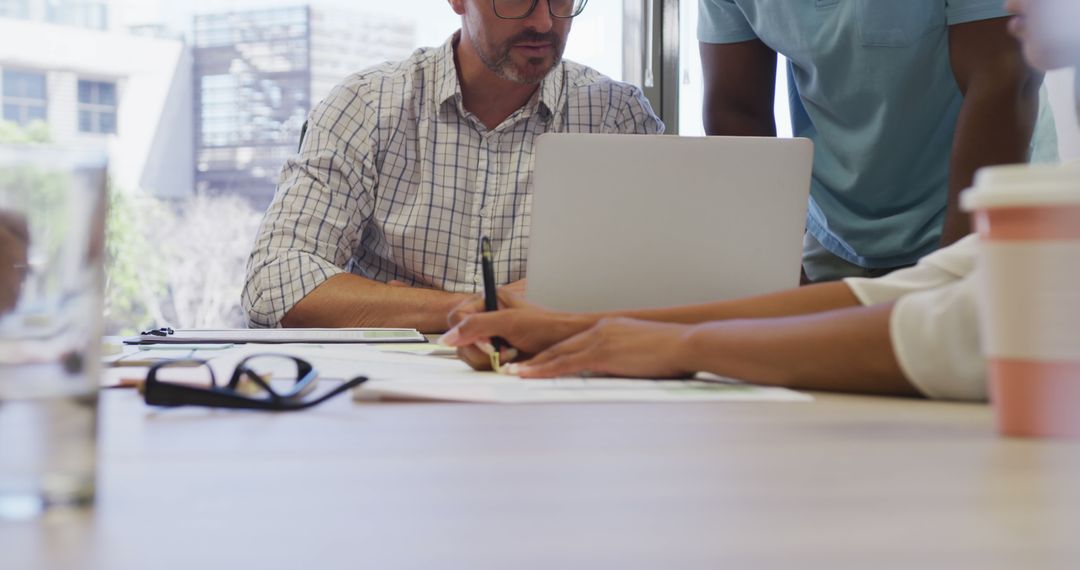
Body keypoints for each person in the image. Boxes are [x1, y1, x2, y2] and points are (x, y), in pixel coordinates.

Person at [440, 0, 1079, 402]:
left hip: (980, 215)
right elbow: (905, 301)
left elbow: (949, 325)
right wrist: (577, 329)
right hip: (850, 238)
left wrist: (684, 345)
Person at [242, 0, 663, 332]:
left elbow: (664, 282)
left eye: (561, 0)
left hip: (558, 390)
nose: (543, 22)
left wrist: (401, 306)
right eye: (515, 0)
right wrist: (481, 309)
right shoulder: (367, 106)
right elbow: (274, 285)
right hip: (389, 398)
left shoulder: (615, 116)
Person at [697, 0, 1055, 283]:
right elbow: (735, 109)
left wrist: (952, 274)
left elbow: (1002, 79)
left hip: (983, 219)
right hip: (836, 235)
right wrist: (775, 267)